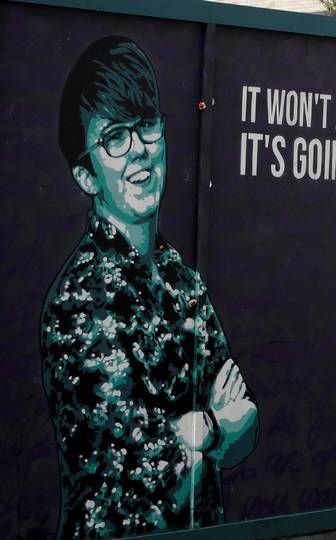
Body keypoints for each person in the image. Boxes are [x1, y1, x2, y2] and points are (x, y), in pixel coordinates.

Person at [40, 36, 258, 538]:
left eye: (146, 125)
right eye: (115, 136)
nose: (139, 148)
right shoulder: (81, 305)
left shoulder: (181, 277)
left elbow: (247, 425)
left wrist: (207, 430)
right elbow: (145, 487)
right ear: (86, 175)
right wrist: (214, 427)